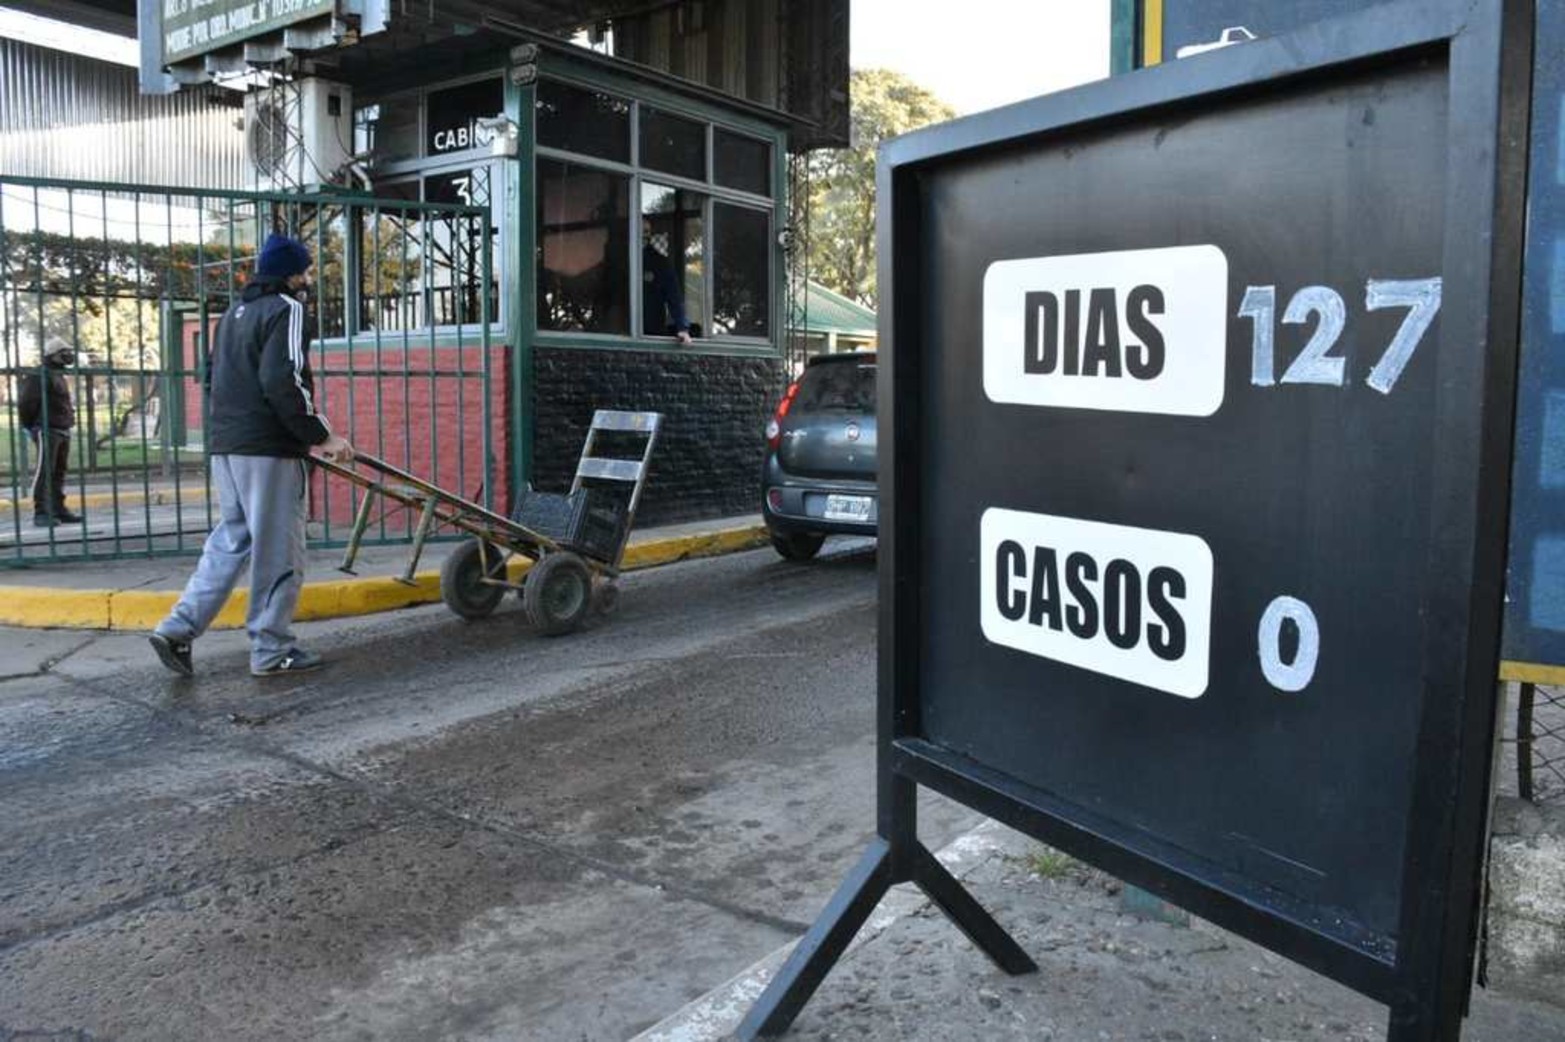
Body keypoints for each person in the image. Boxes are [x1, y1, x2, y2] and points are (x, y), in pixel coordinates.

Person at [149, 233, 354, 679]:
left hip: (227, 445)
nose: (308, 279)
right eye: (306, 271)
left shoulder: (233, 316)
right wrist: (322, 435)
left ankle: (177, 628)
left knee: (231, 540)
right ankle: (272, 649)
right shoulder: (288, 309)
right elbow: (284, 380)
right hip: (269, 450)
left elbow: (211, 377)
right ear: (292, 273)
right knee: (279, 549)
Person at [18, 337, 82, 527]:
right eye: (64, 352)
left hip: (62, 428)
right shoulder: (39, 375)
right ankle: (41, 512)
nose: (69, 355)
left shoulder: (58, 374)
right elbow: (26, 403)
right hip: (47, 429)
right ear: (53, 355)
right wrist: (31, 426)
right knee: (45, 472)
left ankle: (58, 509)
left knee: (59, 472)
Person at [641, 219, 693, 344]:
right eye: (639, 231)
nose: (643, 235)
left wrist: (682, 328)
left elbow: (674, 297)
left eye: (646, 231)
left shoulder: (659, 263)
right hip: (620, 331)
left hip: (652, 333)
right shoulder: (619, 260)